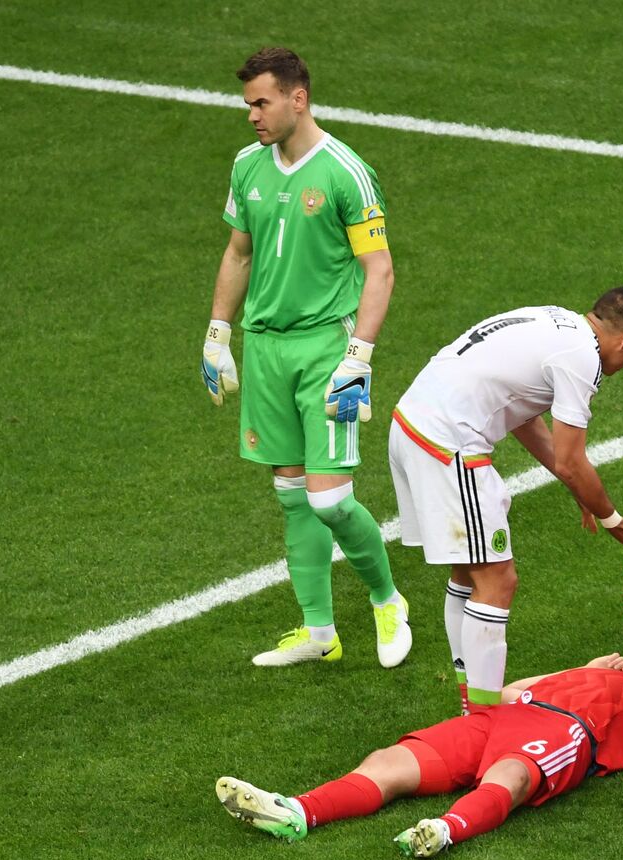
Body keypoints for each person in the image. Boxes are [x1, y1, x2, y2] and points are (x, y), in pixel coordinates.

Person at [204, 47, 408, 668]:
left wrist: (359, 358)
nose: (252, 116)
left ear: (298, 98)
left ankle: (387, 598)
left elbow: (380, 271)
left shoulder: (345, 171)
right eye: (247, 105)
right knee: (292, 495)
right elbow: (239, 253)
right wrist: (218, 331)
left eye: (262, 103)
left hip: (325, 347)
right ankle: (319, 631)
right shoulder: (248, 167)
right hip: (266, 348)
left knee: (329, 501)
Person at [389, 290, 623, 711]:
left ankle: (471, 704)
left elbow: (525, 415)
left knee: (470, 573)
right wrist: (614, 521)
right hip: (448, 442)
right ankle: (482, 716)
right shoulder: (582, 358)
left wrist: (574, 484)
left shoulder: (553, 320)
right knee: (498, 581)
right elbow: (572, 459)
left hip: (413, 425)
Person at [214, 654, 623, 857]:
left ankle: (444, 830)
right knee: (389, 760)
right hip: (507, 713)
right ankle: (296, 811)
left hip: (567, 731)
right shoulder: (609, 666)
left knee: (512, 777)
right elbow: (510, 689)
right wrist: (583, 666)